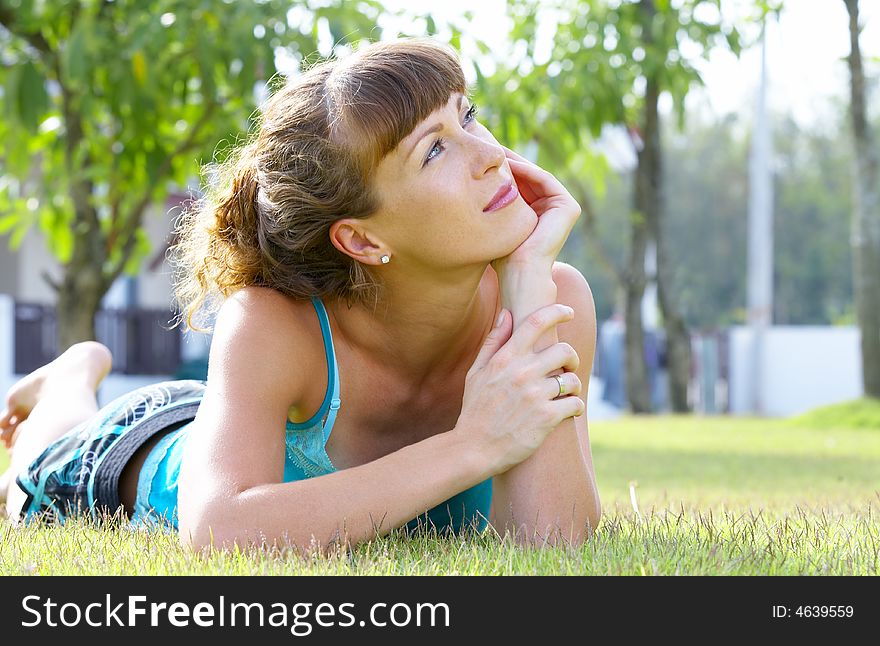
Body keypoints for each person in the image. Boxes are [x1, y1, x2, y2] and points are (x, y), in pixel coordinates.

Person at [0, 39, 601, 552]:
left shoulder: (553, 298)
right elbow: (216, 530)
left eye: (467, 117)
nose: (495, 155)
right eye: (435, 148)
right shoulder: (271, 322)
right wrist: (472, 446)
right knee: (25, 477)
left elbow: (554, 543)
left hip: (237, 416)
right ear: (362, 239)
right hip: (137, 448)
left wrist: (528, 293)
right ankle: (69, 380)